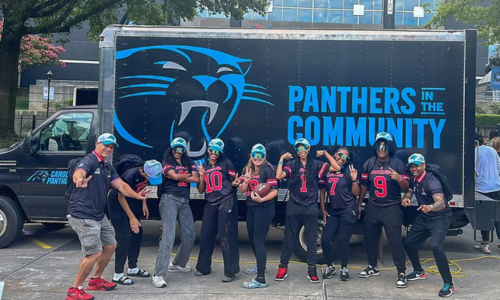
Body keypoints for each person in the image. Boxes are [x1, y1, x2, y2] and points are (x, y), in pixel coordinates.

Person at [66, 133, 149, 300]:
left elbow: (121, 186)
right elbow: (80, 171)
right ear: (97, 143)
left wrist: (136, 196)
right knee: (93, 253)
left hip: (98, 214)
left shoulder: (107, 167)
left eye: (112, 147)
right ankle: (75, 290)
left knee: (111, 245)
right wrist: (79, 178)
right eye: (106, 145)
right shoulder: (90, 160)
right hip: (83, 214)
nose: (109, 149)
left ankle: (96, 280)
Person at [357, 132, 409, 288]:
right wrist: (359, 203)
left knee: (395, 241)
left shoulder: (398, 163)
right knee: (370, 238)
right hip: (373, 205)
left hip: (391, 207)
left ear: (390, 147)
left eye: (385, 145)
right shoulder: (369, 163)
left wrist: (399, 178)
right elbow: (364, 185)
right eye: (379, 145)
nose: (382, 149)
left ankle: (401, 272)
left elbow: (407, 185)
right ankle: (372, 266)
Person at [275, 138, 329, 283]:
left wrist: (325, 153)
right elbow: (279, 176)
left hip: (310, 205)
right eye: (298, 149)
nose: (302, 151)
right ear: (296, 151)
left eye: (304, 148)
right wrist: (281, 159)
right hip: (294, 204)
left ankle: (312, 269)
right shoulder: (292, 164)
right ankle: (283, 266)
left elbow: (335, 168)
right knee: (289, 237)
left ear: (309, 148)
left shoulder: (316, 164)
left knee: (311, 239)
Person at [402, 153, 456, 298]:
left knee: (435, 246)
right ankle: (419, 271)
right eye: (411, 166)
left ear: (424, 165)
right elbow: (410, 190)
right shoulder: (415, 178)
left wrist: (430, 207)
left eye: (417, 165)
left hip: (440, 217)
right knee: (409, 243)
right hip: (424, 217)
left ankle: (449, 284)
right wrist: (406, 198)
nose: (414, 168)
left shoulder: (432, 181)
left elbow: (441, 202)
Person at [152, 137, 199, 288]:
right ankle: (158, 274)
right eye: (175, 149)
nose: (177, 152)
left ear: (184, 150)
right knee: (168, 236)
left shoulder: (188, 162)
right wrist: (188, 176)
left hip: (184, 201)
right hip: (169, 199)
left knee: (190, 234)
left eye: (180, 149)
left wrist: (185, 176)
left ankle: (178, 264)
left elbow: (197, 179)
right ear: (171, 149)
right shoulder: (166, 162)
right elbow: (174, 176)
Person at [107, 159, 163, 286]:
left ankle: (132, 267)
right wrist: (132, 218)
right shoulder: (130, 175)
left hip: (133, 203)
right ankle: (118, 273)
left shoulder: (144, 175)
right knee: (124, 237)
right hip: (118, 206)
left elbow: (141, 188)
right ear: (143, 172)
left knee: (137, 233)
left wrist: (144, 202)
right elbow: (121, 197)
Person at [195, 138, 240, 282]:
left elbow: (234, 182)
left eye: (217, 151)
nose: (214, 153)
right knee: (206, 235)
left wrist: (235, 183)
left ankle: (230, 271)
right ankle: (203, 268)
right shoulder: (205, 166)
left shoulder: (226, 163)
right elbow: (201, 190)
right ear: (208, 150)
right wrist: (201, 176)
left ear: (220, 153)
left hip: (226, 200)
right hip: (210, 203)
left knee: (225, 236)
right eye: (212, 150)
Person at [238, 144, 278, 289]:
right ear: (251, 155)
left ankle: (261, 279)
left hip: (264, 208)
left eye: (260, 155)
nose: (257, 158)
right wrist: (246, 182)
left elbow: (274, 191)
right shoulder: (246, 169)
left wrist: (261, 199)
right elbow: (242, 190)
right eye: (255, 155)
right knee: (252, 240)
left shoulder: (267, 169)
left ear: (265, 157)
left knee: (258, 241)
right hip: (251, 208)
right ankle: (261, 265)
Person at [319, 146, 359, 281]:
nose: (342, 159)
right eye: (340, 155)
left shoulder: (348, 170)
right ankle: (330, 266)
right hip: (334, 210)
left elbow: (356, 194)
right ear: (335, 155)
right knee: (325, 240)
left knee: (342, 240)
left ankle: (344, 268)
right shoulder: (327, 170)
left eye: (345, 157)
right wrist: (323, 209)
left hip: (348, 209)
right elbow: (323, 191)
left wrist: (354, 180)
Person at [474, 132, 500, 254]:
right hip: (496, 186)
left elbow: (472, 170)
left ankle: (485, 245)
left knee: (484, 217)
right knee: (498, 216)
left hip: (482, 188)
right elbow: (498, 166)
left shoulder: (474, 152)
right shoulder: (492, 151)